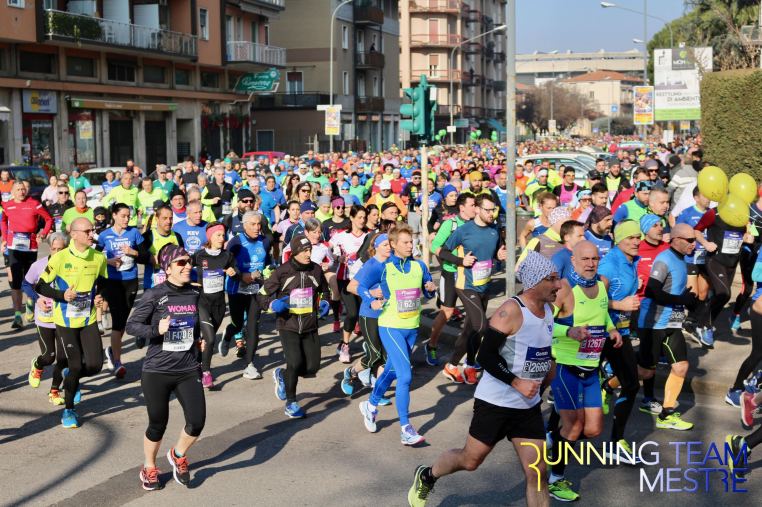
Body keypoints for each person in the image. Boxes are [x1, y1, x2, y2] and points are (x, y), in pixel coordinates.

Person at [407, 251, 558, 507]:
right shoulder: (511, 310)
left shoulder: (548, 310)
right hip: (495, 404)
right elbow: (485, 355)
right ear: (534, 281)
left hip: (527, 408)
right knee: (470, 460)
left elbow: (542, 353)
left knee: (538, 473)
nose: (559, 285)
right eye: (552, 279)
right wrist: (516, 382)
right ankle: (428, 475)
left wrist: (546, 376)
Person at [547, 241, 622, 502]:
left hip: (591, 369)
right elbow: (543, 324)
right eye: (585, 259)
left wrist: (611, 329)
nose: (591, 264)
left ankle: (551, 439)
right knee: (574, 427)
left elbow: (602, 313)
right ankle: (555, 479)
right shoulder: (563, 289)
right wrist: (568, 331)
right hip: (565, 368)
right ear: (573, 260)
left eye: (595, 259)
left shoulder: (602, 284)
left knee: (592, 430)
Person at [126, 244, 206, 491]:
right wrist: (155, 330)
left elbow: (194, 324)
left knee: (197, 422)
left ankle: (177, 454)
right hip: (157, 370)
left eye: (189, 261)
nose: (187, 266)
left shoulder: (194, 293)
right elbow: (132, 326)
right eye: (181, 262)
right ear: (168, 268)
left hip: (187, 368)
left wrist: (198, 340)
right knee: (157, 423)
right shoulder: (155, 294)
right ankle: (149, 466)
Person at [357, 224, 437, 445]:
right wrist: (371, 300)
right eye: (405, 242)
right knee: (405, 376)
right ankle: (406, 428)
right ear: (393, 244)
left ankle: (370, 405)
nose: (410, 245)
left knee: (391, 371)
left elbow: (428, 289)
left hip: (412, 328)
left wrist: (431, 288)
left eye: (411, 242)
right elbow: (359, 287)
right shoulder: (383, 267)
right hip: (390, 326)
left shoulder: (419, 266)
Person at [35, 217, 108, 428]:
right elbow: (40, 286)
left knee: (95, 365)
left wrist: (100, 295)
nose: (91, 234)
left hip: (88, 318)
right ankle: (68, 410)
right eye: (87, 231)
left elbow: (103, 281)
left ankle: (69, 377)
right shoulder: (60, 258)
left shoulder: (98, 257)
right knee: (75, 364)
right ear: (74, 234)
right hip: (65, 321)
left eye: (92, 230)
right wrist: (62, 295)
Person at [439, 194, 507, 385]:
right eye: (487, 210)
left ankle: (461, 365)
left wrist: (499, 255)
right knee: (481, 326)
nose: (491, 214)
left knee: (471, 330)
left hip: (484, 284)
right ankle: (467, 363)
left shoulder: (494, 229)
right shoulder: (464, 230)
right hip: (465, 285)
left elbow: (494, 252)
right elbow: (443, 251)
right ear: (477, 209)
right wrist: (462, 261)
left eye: (493, 210)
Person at [637, 223, 698, 431]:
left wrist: (688, 301)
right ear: (676, 239)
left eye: (694, 240)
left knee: (681, 367)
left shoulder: (681, 260)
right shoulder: (664, 259)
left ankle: (666, 414)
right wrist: (680, 299)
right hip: (653, 324)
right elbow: (652, 291)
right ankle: (608, 385)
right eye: (690, 240)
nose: (693, 244)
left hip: (672, 322)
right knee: (645, 372)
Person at [260, 234, 329, 418]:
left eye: (310, 250)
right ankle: (291, 402)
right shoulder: (283, 271)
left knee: (312, 367)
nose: (308, 254)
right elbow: (262, 294)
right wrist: (272, 304)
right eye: (304, 251)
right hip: (287, 324)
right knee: (295, 362)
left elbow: (324, 290)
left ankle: (282, 375)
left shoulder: (316, 270)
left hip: (310, 325)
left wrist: (325, 302)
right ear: (295, 252)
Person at [598, 220, 644, 463]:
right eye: (630, 238)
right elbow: (593, 298)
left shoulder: (631, 260)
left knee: (631, 384)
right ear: (618, 239)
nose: (636, 242)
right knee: (578, 388)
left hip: (620, 332)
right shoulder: (609, 264)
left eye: (638, 237)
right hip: (600, 332)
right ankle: (553, 432)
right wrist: (619, 304)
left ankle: (615, 443)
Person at [427, 194, 477, 365]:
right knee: (447, 312)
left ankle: (471, 354)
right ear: (462, 207)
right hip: (451, 272)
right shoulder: (451, 224)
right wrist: (458, 260)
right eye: (472, 205)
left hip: (469, 274)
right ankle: (432, 345)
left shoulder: (477, 224)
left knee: (474, 314)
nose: (475, 208)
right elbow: (435, 247)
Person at [342, 233, 392, 397]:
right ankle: (351, 372)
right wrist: (370, 293)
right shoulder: (371, 265)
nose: (389, 247)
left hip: (387, 314)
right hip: (369, 315)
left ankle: (378, 393)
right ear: (376, 247)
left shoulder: (392, 263)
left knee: (386, 356)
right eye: (385, 245)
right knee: (374, 355)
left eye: (390, 244)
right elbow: (351, 287)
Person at [97, 203, 143, 379]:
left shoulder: (134, 233)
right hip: (112, 281)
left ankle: (111, 351)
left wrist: (133, 252)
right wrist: (107, 261)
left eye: (128, 216)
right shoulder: (104, 235)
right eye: (123, 215)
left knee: (122, 321)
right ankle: (117, 362)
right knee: (117, 322)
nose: (126, 219)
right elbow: (94, 256)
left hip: (130, 281)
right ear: (114, 215)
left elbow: (144, 254)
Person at [220, 212, 271, 372]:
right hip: (237, 289)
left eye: (259, 224)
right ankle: (228, 335)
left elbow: (268, 264)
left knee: (253, 326)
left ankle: (250, 365)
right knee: (237, 324)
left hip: (256, 290)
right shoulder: (235, 242)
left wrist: (268, 274)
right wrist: (242, 276)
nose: (257, 228)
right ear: (244, 225)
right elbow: (226, 266)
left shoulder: (265, 241)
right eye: (253, 224)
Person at [24, 232, 68, 405]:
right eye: (54, 249)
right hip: (45, 319)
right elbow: (26, 284)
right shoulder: (38, 266)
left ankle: (54, 391)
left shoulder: (70, 265)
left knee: (63, 358)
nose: (57, 253)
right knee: (49, 356)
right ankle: (37, 364)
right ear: (50, 248)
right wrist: (37, 299)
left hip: (64, 318)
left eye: (61, 249)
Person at [2, 181, 53, 328]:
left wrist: (43, 234)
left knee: (30, 279)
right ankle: (17, 315)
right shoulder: (7, 205)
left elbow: (48, 219)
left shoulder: (34, 204)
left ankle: (31, 303)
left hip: (31, 247)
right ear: (12, 192)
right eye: (18, 189)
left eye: (23, 189)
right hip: (14, 247)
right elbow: (3, 221)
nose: (21, 192)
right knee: (16, 282)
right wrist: (5, 238)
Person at [192, 222, 238, 389]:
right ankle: (206, 372)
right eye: (218, 235)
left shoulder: (227, 256)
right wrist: (189, 283)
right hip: (202, 303)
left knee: (207, 340)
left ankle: (198, 364)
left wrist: (234, 272)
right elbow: (184, 268)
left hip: (219, 304)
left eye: (223, 235)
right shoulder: (199, 255)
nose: (222, 238)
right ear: (210, 237)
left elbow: (237, 271)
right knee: (210, 338)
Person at [329, 205, 368, 362]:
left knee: (362, 314)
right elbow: (327, 249)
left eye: (364, 217)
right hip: (344, 279)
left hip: (364, 281)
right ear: (351, 218)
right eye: (359, 217)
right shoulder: (341, 236)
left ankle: (370, 345)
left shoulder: (369, 236)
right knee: (352, 313)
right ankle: (345, 345)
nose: (362, 220)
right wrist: (337, 258)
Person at [138, 205, 184, 290]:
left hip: (173, 286)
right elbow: (139, 258)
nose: (168, 221)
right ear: (157, 218)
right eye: (165, 218)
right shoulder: (148, 236)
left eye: (171, 218)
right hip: (152, 286)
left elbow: (183, 260)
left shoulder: (177, 236)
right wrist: (150, 258)